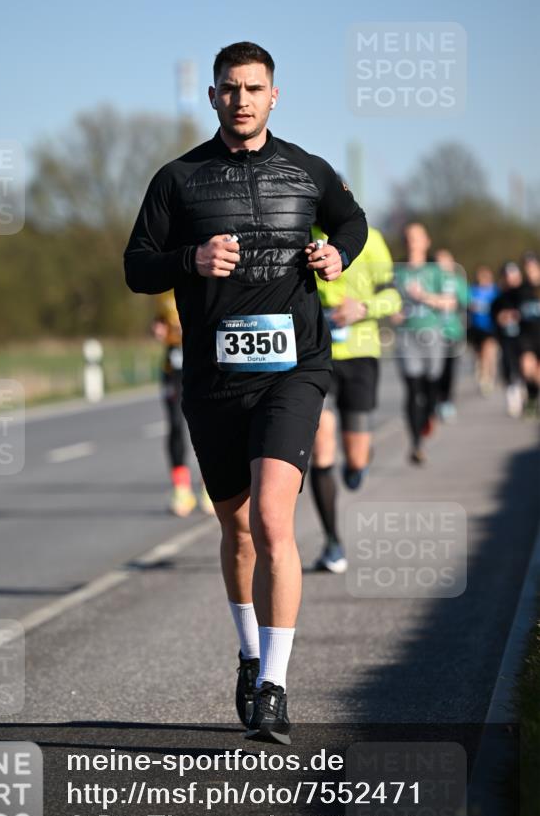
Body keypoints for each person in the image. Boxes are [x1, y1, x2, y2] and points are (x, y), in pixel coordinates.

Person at [124, 41, 367, 743]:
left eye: (253, 88)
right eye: (229, 88)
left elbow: (351, 222)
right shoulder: (177, 179)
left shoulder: (307, 171)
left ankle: (273, 686)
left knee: (270, 521)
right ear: (212, 97)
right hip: (212, 377)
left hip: (293, 370)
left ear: (273, 95)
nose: (241, 99)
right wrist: (189, 259)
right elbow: (137, 266)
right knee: (234, 531)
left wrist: (335, 252)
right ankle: (248, 650)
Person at [309, 225, 401, 573]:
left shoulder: (372, 238)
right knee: (321, 446)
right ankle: (332, 542)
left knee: (356, 461)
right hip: (317, 356)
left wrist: (362, 308)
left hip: (362, 353)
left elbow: (393, 297)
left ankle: (358, 462)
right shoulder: (302, 231)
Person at [393, 223, 456, 465]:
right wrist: (394, 313)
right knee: (412, 389)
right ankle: (416, 443)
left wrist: (424, 297)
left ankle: (430, 413)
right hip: (408, 337)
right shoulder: (397, 272)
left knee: (431, 387)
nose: (412, 242)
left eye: (417, 237)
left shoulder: (437, 271)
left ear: (426, 241)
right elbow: (391, 303)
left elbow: (450, 302)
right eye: (408, 237)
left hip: (433, 336)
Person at [151, 291, 213, 516]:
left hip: (203, 358)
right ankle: (181, 489)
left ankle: (211, 486)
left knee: (209, 425)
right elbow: (160, 318)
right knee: (176, 425)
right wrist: (158, 327)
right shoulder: (164, 287)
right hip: (174, 365)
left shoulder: (205, 272)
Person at [434, 248, 468, 422]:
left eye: (444, 261)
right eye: (438, 262)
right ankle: (435, 400)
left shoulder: (457, 281)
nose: (441, 266)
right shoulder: (429, 279)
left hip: (453, 331)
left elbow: (464, 301)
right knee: (434, 369)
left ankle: (446, 401)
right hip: (432, 332)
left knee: (449, 369)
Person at [491, 262, 525, 417]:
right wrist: (500, 318)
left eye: (513, 275)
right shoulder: (499, 299)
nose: (510, 279)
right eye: (507, 276)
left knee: (524, 367)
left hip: (525, 339)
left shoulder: (526, 293)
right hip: (506, 339)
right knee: (509, 368)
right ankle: (513, 398)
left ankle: (527, 395)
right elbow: (494, 318)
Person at [467, 265, 499, 396]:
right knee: (479, 355)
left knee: (489, 352)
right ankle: (483, 371)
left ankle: (487, 378)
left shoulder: (496, 291)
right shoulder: (472, 290)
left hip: (491, 328)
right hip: (476, 328)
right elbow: (466, 306)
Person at [517, 252, 540, 417]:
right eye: (527, 267)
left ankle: (533, 399)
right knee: (527, 368)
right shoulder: (521, 289)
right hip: (527, 336)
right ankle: (531, 396)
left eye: (533, 266)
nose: (530, 270)